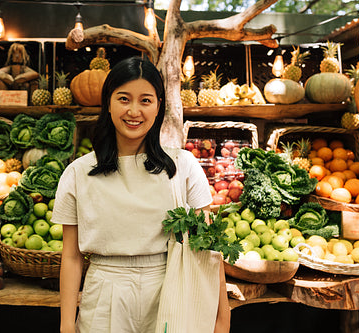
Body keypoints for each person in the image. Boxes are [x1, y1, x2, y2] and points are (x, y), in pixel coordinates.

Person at [52, 56, 230, 333]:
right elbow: (72, 257)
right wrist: (65, 324)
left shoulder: (183, 166)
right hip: (104, 293)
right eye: (124, 98)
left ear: (159, 107)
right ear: (108, 104)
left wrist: (222, 317)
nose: (134, 111)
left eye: (145, 100)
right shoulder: (78, 173)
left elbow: (205, 250)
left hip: (171, 287)